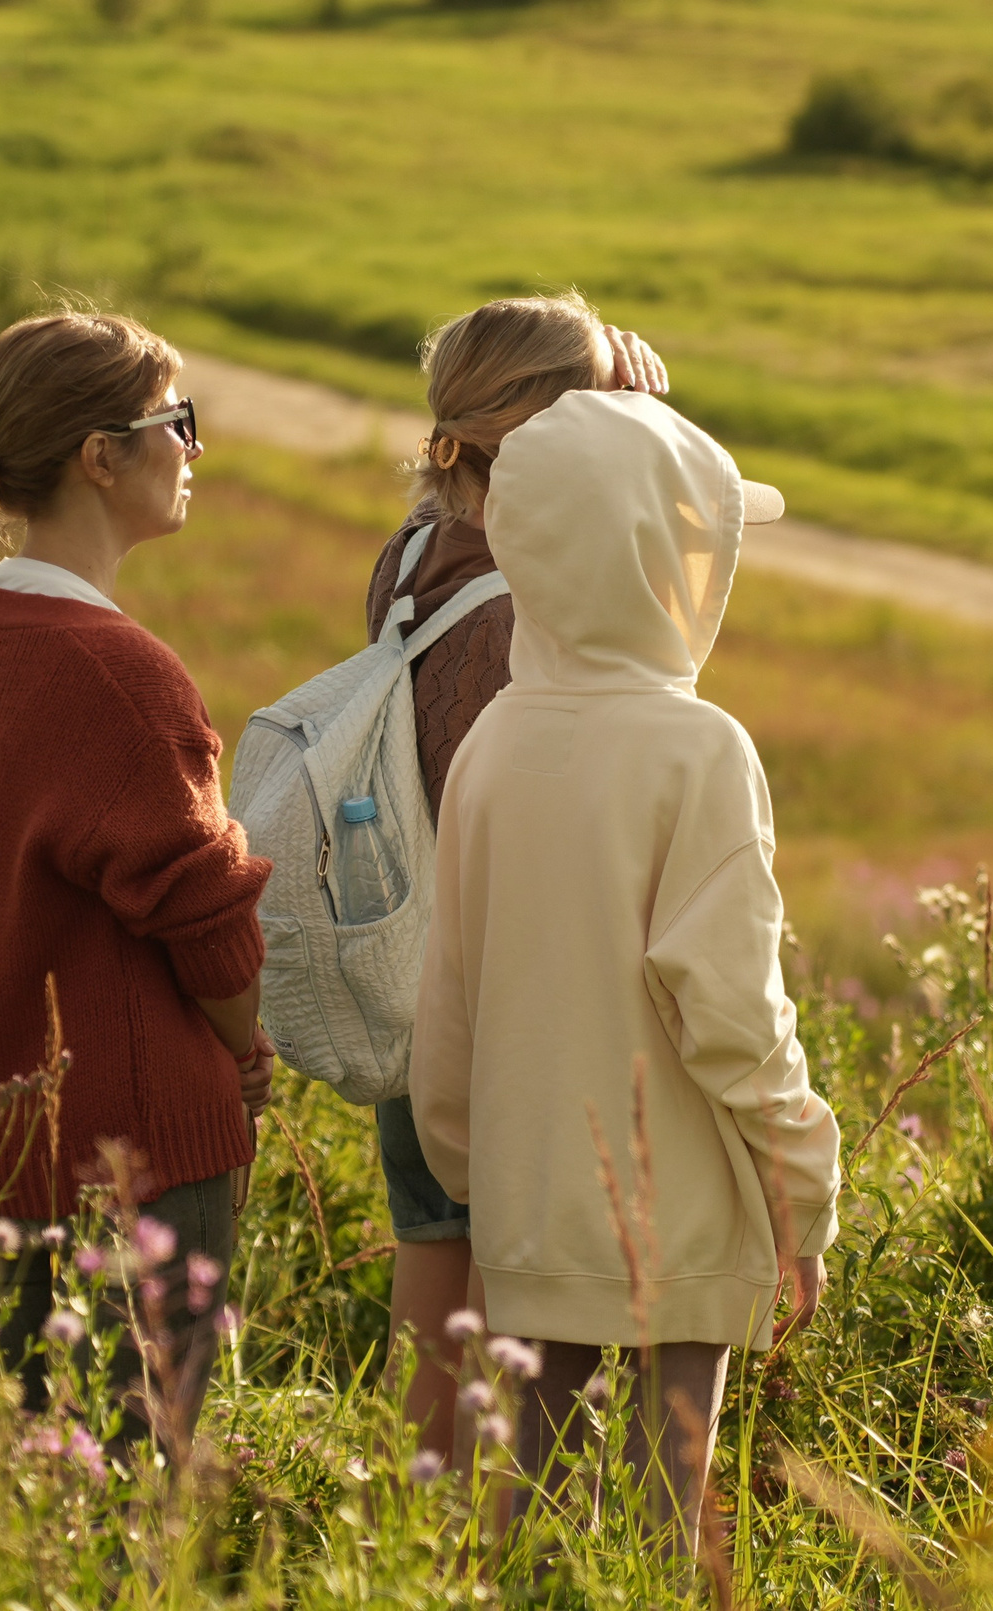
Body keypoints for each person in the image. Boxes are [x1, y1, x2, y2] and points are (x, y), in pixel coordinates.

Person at [411, 387, 842, 1540]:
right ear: (660, 560)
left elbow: (447, 994)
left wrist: (474, 1165)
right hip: (679, 1215)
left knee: (532, 1519)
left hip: (528, 1192)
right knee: (663, 1528)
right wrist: (803, 1188)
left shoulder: (494, 740)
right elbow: (738, 1014)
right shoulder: (698, 749)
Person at [0, 311, 275, 1447]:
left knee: (3, 1495)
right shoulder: (120, 672)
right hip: (132, 1167)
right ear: (101, 455)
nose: (193, 449)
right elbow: (211, 925)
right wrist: (245, 1050)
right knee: (135, 1493)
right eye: (175, 424)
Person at [364, 291, 669, 1468]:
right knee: (520, 1332)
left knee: (434, 1288)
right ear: (556, 427)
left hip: (413, 969)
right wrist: (648, 458)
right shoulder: (531, 595)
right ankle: (503, 1565)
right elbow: (661, 676)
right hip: (510, 1000)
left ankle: (415, 1552)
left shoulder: (410, 554)